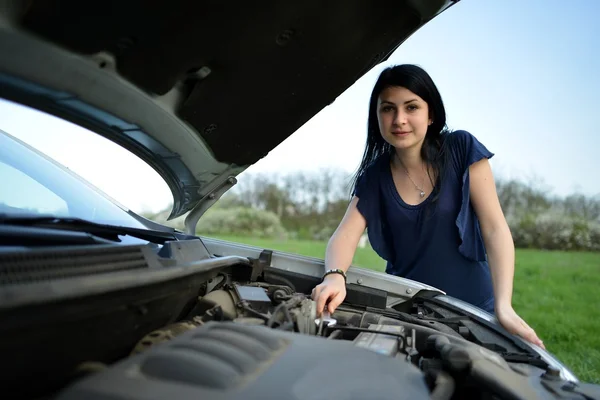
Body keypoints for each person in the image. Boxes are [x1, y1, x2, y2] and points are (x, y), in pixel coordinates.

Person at [311, 64, 544, 348]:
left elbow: (495, 228)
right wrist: (334, 276)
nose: (399, 119)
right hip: (411, 314)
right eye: (388, 109)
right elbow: (345, 234)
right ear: (377, 117)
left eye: (411, 107)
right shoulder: (375, 175)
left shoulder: (461, 148)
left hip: (475, 309)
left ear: (431, 114)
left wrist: (504, 306)